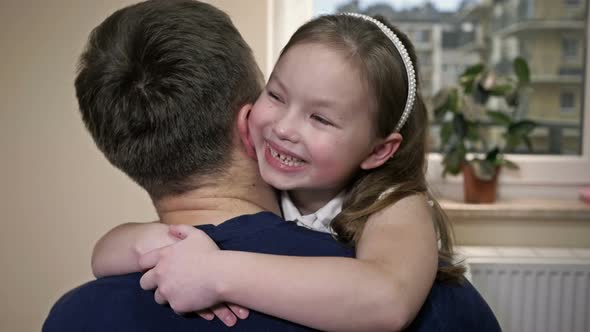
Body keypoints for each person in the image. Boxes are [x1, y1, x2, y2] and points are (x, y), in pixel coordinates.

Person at [44, 1, 501, 331]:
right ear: (245, 118)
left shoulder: (395, 203)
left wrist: (216, 273)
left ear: (378, 152)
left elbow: (387, 300)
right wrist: (153, 241)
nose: (283, 127)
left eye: (320, 117)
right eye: (277, 96)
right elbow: (103, 255)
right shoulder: (456, 312)